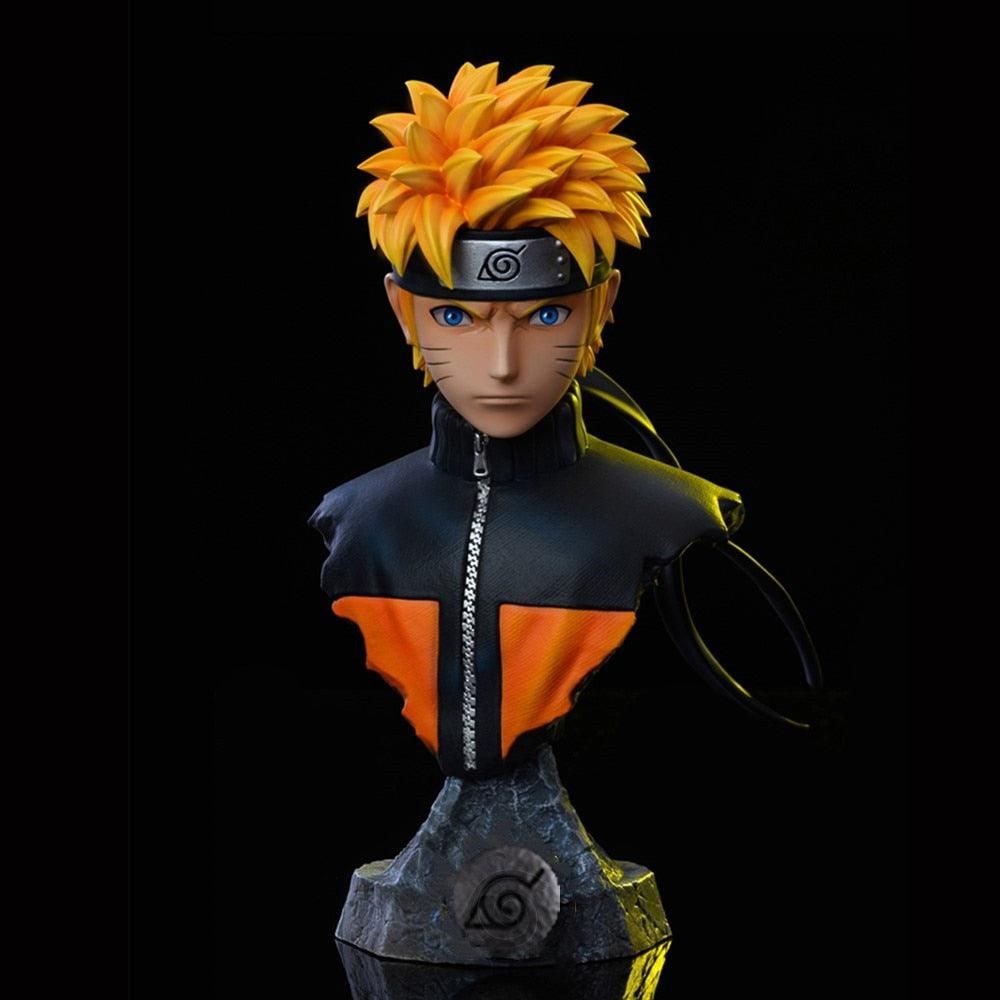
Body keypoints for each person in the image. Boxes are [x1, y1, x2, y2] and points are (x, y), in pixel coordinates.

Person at [308, 60, 820, 965]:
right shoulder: (358, 517)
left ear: (601, 305)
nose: (502, 365)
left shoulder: (661, 511)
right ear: (403, 311)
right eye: (458, 317)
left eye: (544, 314)